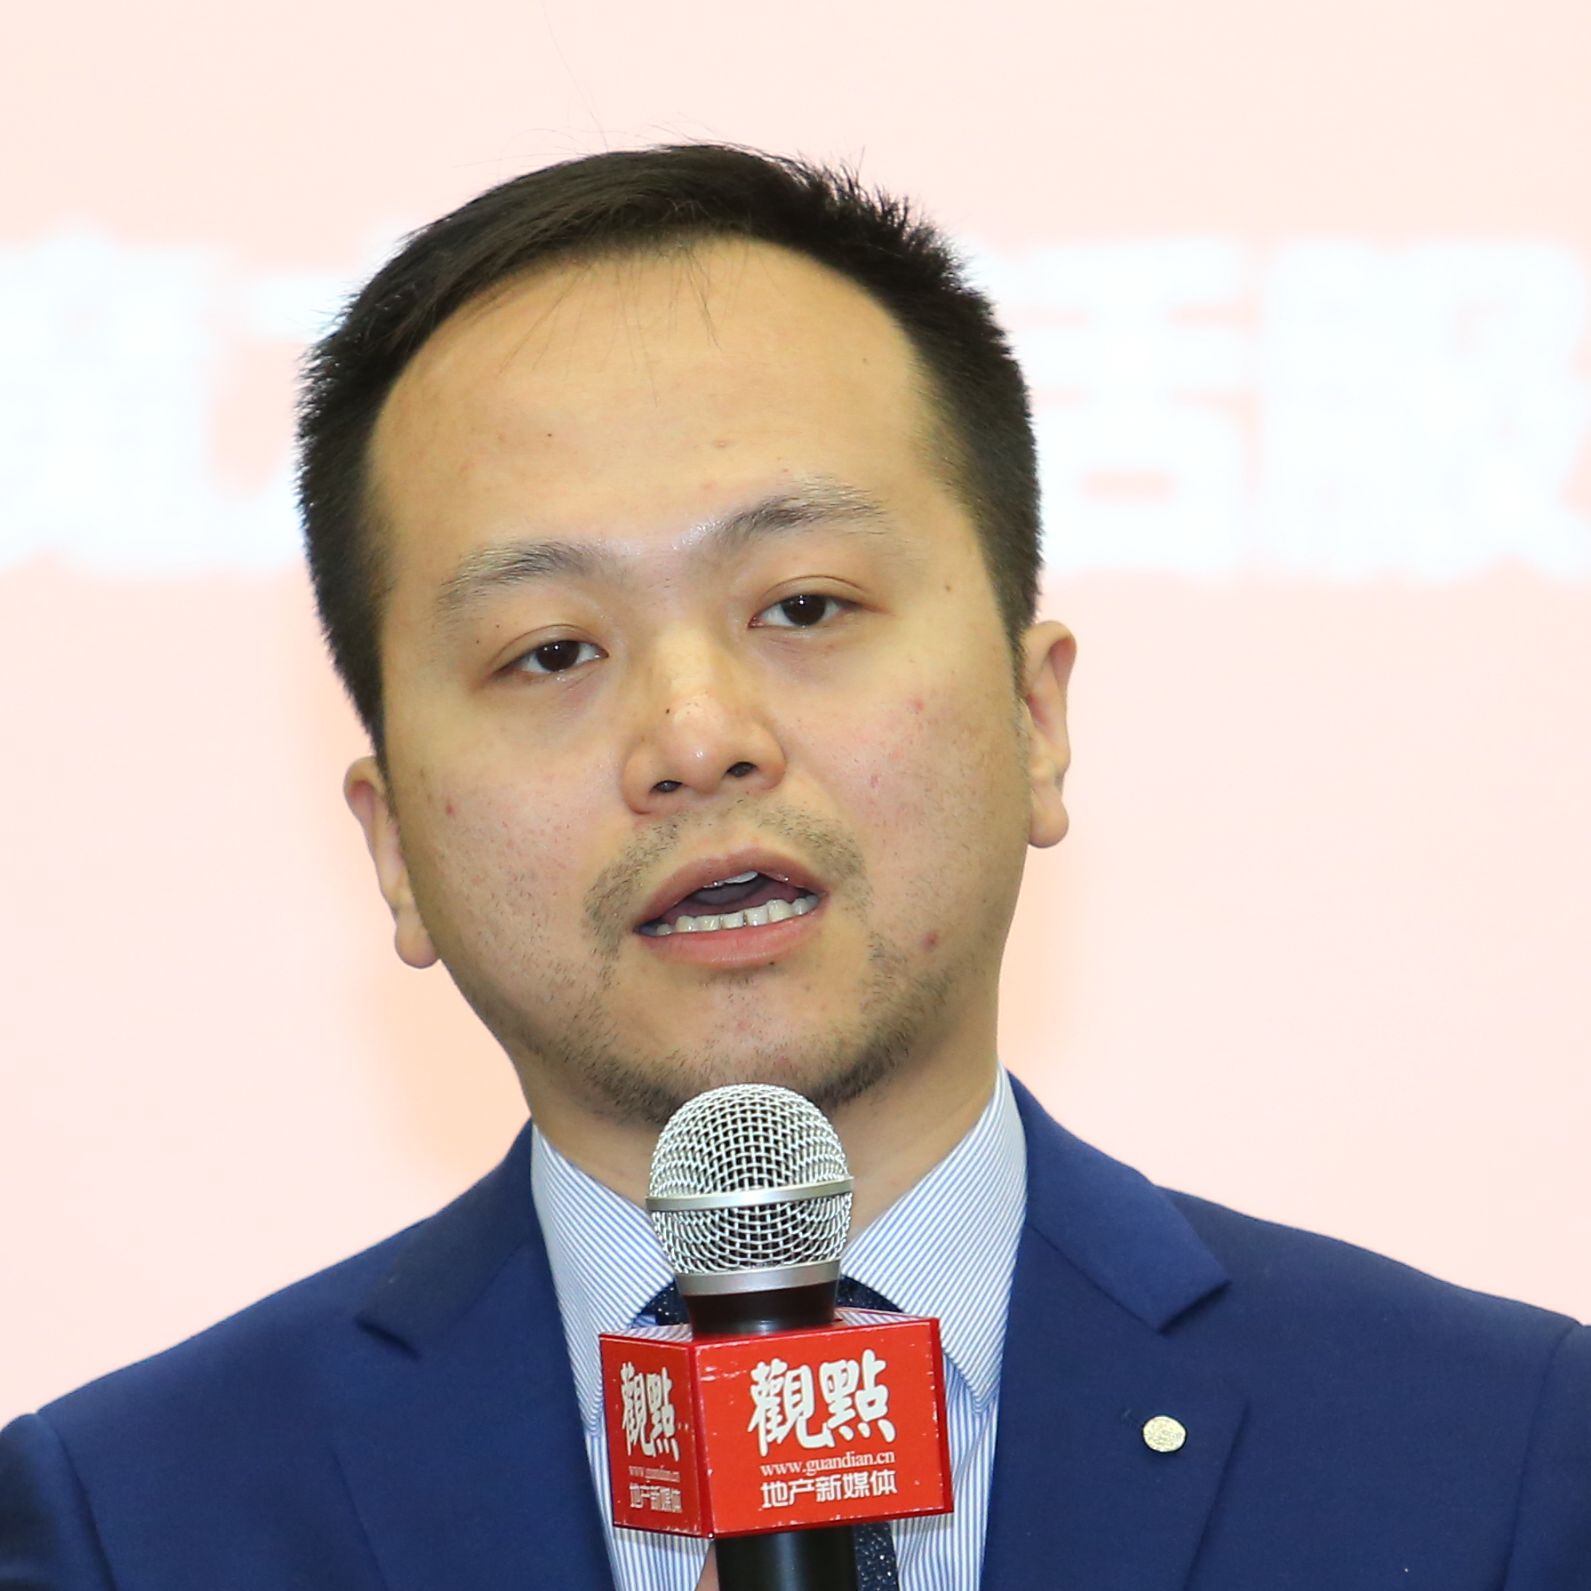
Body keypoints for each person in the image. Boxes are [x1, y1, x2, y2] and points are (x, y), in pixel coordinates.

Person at [1, 144, 1586, 1590]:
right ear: (397, 844)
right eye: (551, 650)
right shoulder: (129, 1525)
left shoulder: (1501, 1461)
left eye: (805, 606)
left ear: (1036, 720)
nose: (698, 737)